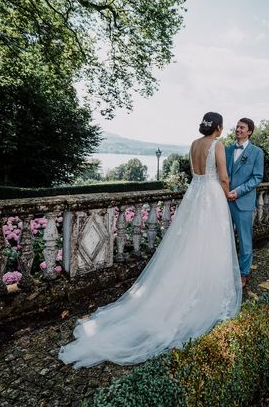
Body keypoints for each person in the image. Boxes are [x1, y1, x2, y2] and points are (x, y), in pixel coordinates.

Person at [58, 112, 242, 367]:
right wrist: (227, 193)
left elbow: (194, 172)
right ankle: (202, 292)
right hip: (211, 196)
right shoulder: (217, 145)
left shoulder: (193, 145)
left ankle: (183, 286)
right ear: (218, 127)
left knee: (188, 245)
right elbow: (223, 176)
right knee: (210, 245)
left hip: (195, 193)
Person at [225, 118, 264, 288]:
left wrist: (238, 192)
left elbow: (257, 178)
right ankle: (225, 270)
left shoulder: (257, 152)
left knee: (245, 240)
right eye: (237, 127)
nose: (238, 129)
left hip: (243, 203)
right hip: (224, 201)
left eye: (242, 128)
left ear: (249, 132)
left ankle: (243, 273)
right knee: (224, 239)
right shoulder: (226, 150)